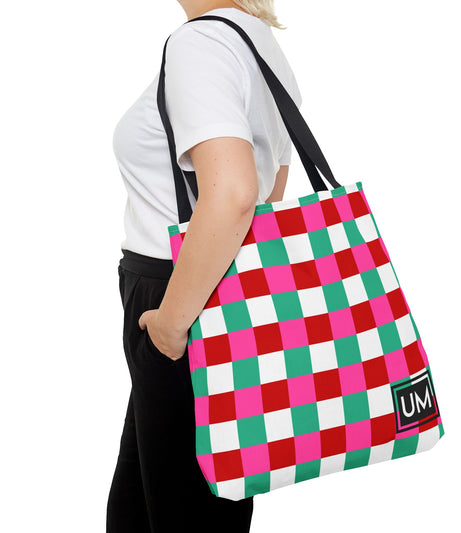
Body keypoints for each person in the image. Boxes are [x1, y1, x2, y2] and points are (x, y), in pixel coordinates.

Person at [106, 1, 302, 531]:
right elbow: (271, 191)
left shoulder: (201, 43)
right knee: (151, 506)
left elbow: (236, 194)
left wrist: (171, 327)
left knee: (183, 512)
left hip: (179, 299)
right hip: (211, 288)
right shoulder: (257, 40)